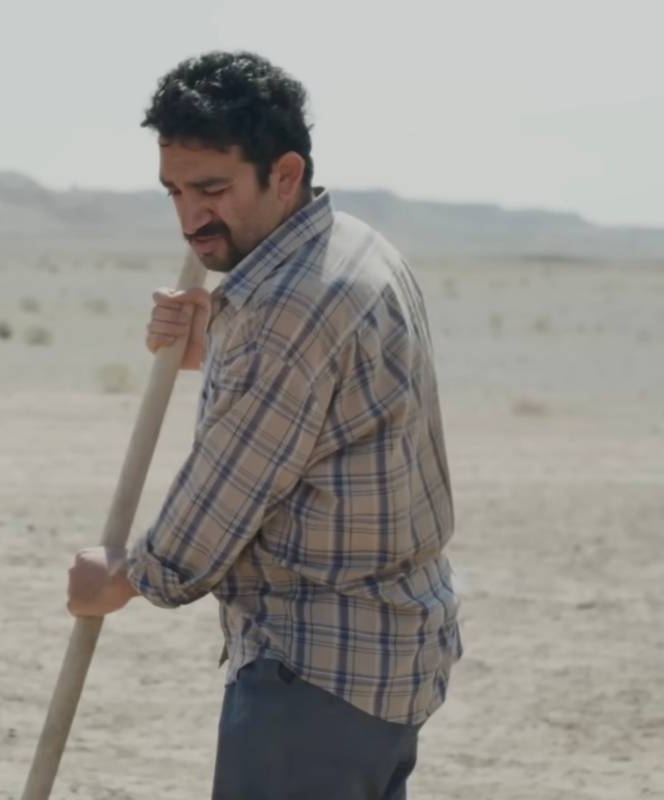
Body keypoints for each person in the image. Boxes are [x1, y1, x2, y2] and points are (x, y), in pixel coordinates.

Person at [65, 51, 462, 799]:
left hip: (319, 669)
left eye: (212, 189)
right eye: (174, 191)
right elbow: (327, 395)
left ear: (284, 174)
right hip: (390, 652)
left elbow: (213, 515)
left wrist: (121, 575)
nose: (189, 218)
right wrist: (214, 339)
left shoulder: (285, 308)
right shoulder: (351, 244)